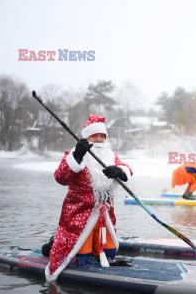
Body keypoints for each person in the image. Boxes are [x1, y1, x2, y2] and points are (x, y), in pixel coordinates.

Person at [45, 115, 133, 282]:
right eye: (95, 136)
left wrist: (119, 172)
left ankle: (96, 250)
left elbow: (126, 170)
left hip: (104, 217)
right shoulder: (75, 154)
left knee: (110, 253)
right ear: (86, 137)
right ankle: (53, 245)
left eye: (102, 136)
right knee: (82, 260)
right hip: (79, 215)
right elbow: (60, 178)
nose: (99, 140)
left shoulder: (110, 156)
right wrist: (78, 154)